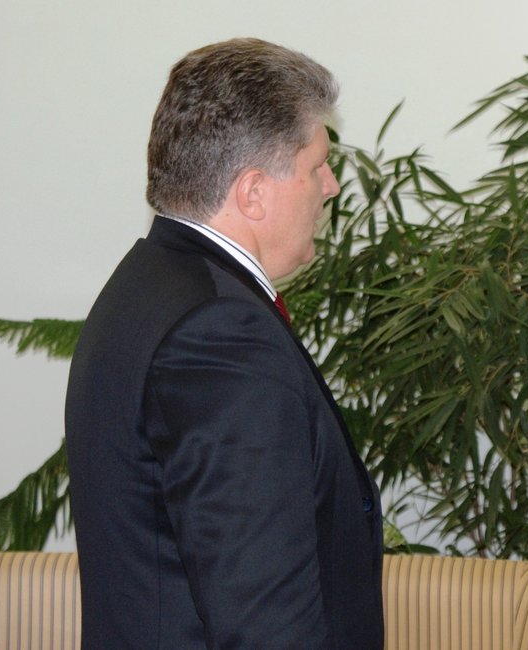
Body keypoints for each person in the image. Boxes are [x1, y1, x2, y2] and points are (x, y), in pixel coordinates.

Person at [65, 38, 383, 649]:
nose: (332, 186)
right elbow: (264, 617)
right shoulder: (220, 332)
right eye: (317, 166)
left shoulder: (148, 285)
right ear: (253, 191)